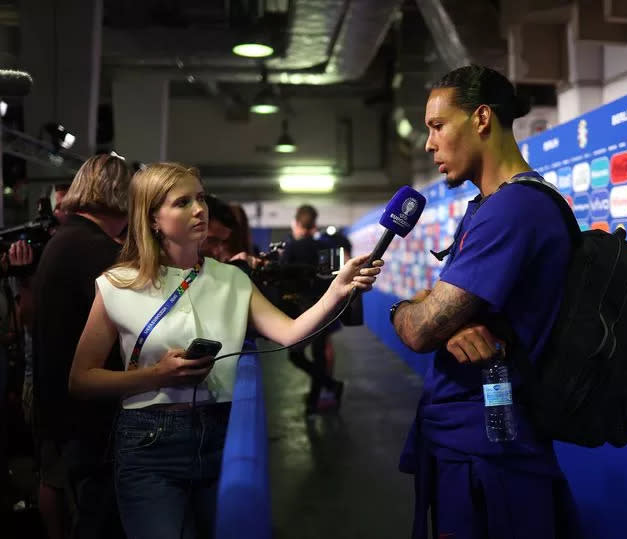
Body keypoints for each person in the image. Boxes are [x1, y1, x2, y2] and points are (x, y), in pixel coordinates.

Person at [68, 163, 382, 538]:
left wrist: (337, 290)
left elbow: (290, 333)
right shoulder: (117, 284)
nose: (199, 209)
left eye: (199, 198)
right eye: (182, 202)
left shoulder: (232, 279)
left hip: (221, 436)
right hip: (148, 449)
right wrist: (157, 375)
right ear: (152, 218)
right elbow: (80, 379)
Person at [390, 65, 580, 538]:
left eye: (437, 126)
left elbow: (420, 328)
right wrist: (439, 316)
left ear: (480, 119)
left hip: (492, 455)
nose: (429, 144)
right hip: (471, 445)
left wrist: (404, 310)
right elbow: (440, 313)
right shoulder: (489, 207)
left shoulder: (515, 209)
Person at [32, 154, 131, 539]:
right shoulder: (97, 252)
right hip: (89, 416)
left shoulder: (67, 241)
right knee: (99, 520)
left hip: (61, 406)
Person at [281, 204, 344, 415]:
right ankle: (320, 395)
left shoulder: (291, 248)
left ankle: (326, 389)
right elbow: (333, 279)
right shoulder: (326, 247)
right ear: (315, 224)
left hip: (299, 311)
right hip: (323, 309)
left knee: (296, 356)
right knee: (319, 355)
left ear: (297, 223)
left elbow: (282, 281)